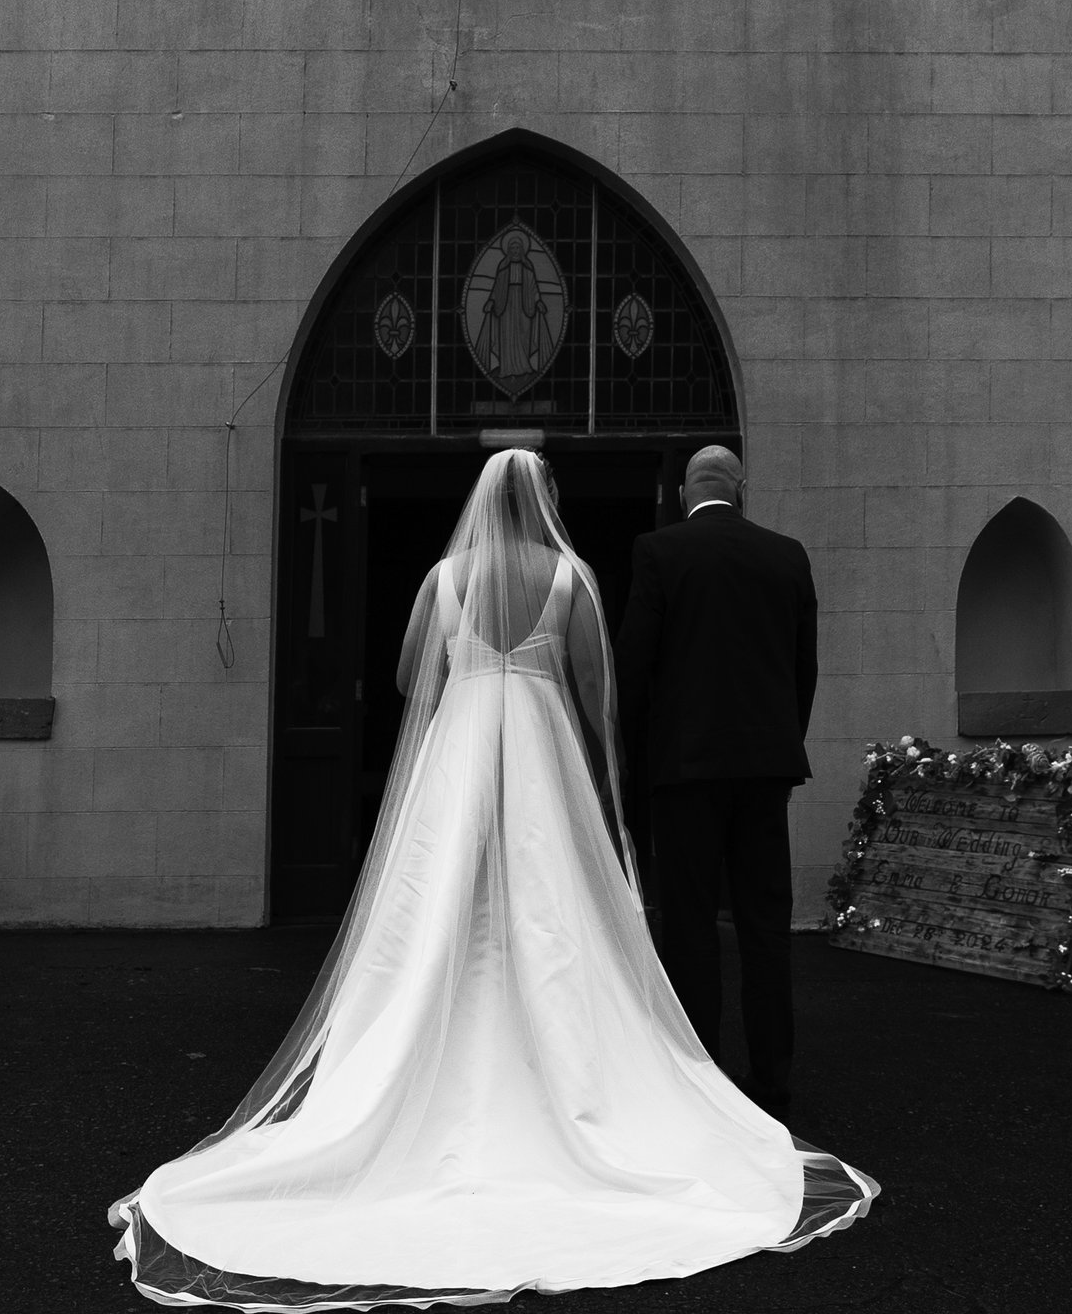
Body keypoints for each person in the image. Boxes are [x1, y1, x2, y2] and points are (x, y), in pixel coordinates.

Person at [111, 448, 873, 1307]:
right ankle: (628, 1072)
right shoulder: (570, 576)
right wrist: (597, 765)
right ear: (543, 499)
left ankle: (414, 1072)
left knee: (442, 905)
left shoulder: (443, 579)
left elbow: (408, 676)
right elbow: (596, 687)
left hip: (461, 749)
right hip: (544, 749)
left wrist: (471, 671)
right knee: (556, 908)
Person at [614, 444, 817, 1119]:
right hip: (765, 766)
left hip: (686, 768)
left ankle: (702, 1074)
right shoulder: (787, 555)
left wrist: (637, 755)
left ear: (682, 494)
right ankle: (773, 1076)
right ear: (742, 490)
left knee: (691, 924)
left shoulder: (657, 551)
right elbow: (803, 669)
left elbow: (635, 664)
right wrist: (782, 742)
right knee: (765, 924)